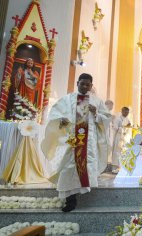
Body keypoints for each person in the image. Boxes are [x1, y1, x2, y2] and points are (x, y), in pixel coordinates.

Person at [41, 73, 111, 212]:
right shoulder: (67, 99)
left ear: (91, 86)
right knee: (69, 167)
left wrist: (96, 114)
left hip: (89, 142)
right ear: (77, 83)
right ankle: (70, 199)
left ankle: (82, 190)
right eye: (82, 83)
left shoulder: (96, 101)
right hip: (72, 139)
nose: (85, 86)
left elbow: (107, 118)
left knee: (86, 166)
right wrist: (61, 119)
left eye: (88, 84)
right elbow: (55, 114)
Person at [111, 107, 131, 174]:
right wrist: (124, 127)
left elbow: (128, 128)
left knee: (124, 152)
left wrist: (128, 127)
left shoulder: (127, 119)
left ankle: (123, 167)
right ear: (122, 111)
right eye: (125, 112)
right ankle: (116, 168)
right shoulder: (117, 119)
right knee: (117, 152)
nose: (127, 113)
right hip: (119, 137)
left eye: (128, 112)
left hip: (125, 138)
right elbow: (115, 127)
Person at [105, 100, 115, 172]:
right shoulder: (104, 111)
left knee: (109, 148)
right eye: (111, 105)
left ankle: (107, 164)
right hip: (105, 133)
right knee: (106, 148)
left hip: (109, 132)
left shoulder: (109, 112)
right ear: (108, 104)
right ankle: (104, 165)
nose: (112, 107)